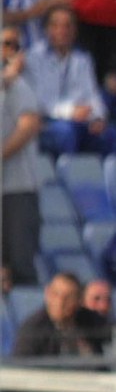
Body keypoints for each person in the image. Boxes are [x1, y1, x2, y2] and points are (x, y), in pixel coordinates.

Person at [4, 272, 111, 392]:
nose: (60, 302)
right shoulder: (33, 330)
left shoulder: (88, 320)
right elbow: (22, 377)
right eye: (55, 294)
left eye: (68, 297)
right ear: (47, 293)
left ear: (79, 300)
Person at [24, 6, 116, 155]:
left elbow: (92, 95)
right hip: (48, 121)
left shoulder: (82, 59)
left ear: (75, 30)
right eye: (55, 25)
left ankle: (97, 178)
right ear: (46, 29)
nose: (62, 31)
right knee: (65, 132)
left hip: (80, 120)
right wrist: (70, 112)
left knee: (109, 133)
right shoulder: (34, 58)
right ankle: (64, 178)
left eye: (67, 25)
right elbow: (40, 101)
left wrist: (98, 117)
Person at [1, 26, 42, 287]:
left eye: (14, 44)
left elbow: (29, 125)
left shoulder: (18, 84)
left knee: (19, 263)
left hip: (16, 188)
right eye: (5, 43)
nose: (9, 50)